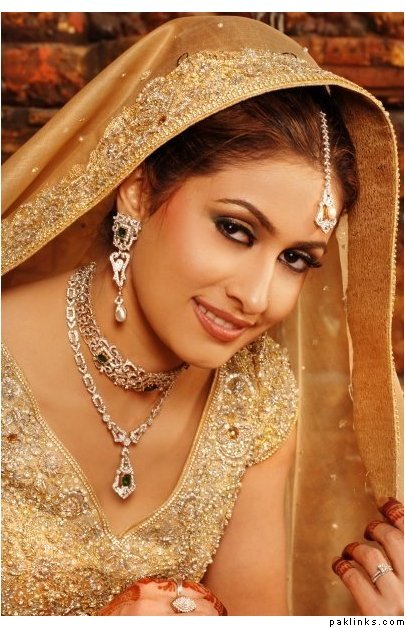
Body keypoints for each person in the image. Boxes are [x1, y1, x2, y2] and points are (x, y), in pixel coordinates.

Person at [1, 15, 403, 616]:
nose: (258, 297)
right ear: (139, 189)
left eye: (295, 258)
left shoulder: (254, 395)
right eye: (235, 229)